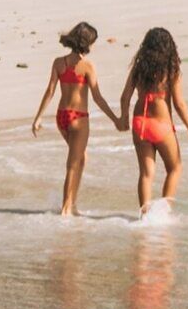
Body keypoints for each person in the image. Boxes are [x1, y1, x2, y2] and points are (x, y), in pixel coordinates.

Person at [31, 22, 122, 217]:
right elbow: (97, 97)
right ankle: (66, 209)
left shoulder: (58, 62)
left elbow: (50, 91)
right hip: (79, 119)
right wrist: (115, 119)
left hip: (62, 116)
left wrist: (38, 117)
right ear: (87, 43)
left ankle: (72, 203)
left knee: (81, 158)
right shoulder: (87, 66)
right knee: (73, 163)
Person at [122, 26, 188, 217]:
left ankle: (145, 217)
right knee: (175, 167)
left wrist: (123, 118)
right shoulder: (171, 70)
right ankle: (164, 214)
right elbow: (179, 104)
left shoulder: (138, 69)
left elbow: (125, 97)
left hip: (140, 124)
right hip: (161, 126)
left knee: (146, 174)